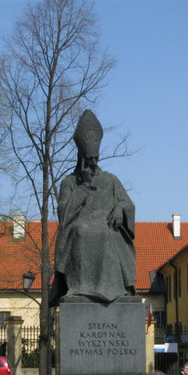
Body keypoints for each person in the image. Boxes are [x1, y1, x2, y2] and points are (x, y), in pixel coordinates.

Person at [49, 109, 136, 306]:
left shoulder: (110, 180)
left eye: (95, 159)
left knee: (106, 235)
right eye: (89, 160)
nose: (93, 163)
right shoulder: (69, 182)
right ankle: (81, 288)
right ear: (81, 157)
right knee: (81, 231)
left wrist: (120, 209)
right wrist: (82, 188)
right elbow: (63, 213)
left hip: (107, 230)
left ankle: (113, 289)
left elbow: (128, 203)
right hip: (79, 231)